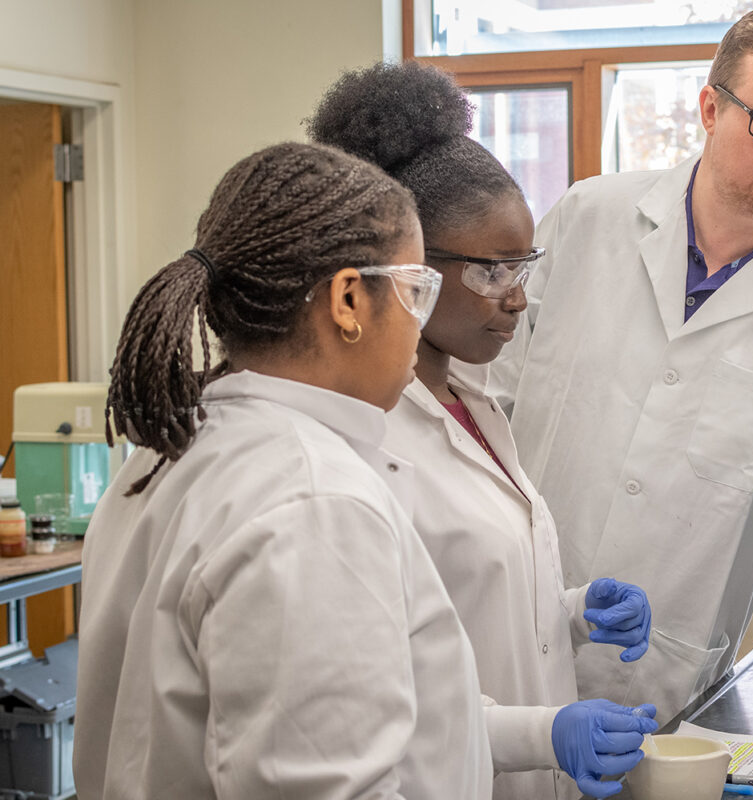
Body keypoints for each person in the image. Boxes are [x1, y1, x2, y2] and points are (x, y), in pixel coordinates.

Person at [490, 4, 753, 720]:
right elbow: (485, 401)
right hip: (504, 625)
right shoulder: (589, 217)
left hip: (657, 670)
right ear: (710, 108)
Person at [74, 142, 493, 799]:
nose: (422, 320)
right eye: (417, 289)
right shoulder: (314, 501)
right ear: (349, 299)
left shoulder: (161, 458)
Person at [308, 61, 657, 800]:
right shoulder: (361, 439)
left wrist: (572, 611)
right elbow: (382, 686)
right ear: (409, 268)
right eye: (493, 272)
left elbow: (472, 602)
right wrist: (541, 735)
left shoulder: (477, 398)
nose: (518, 299)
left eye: (523, 267)